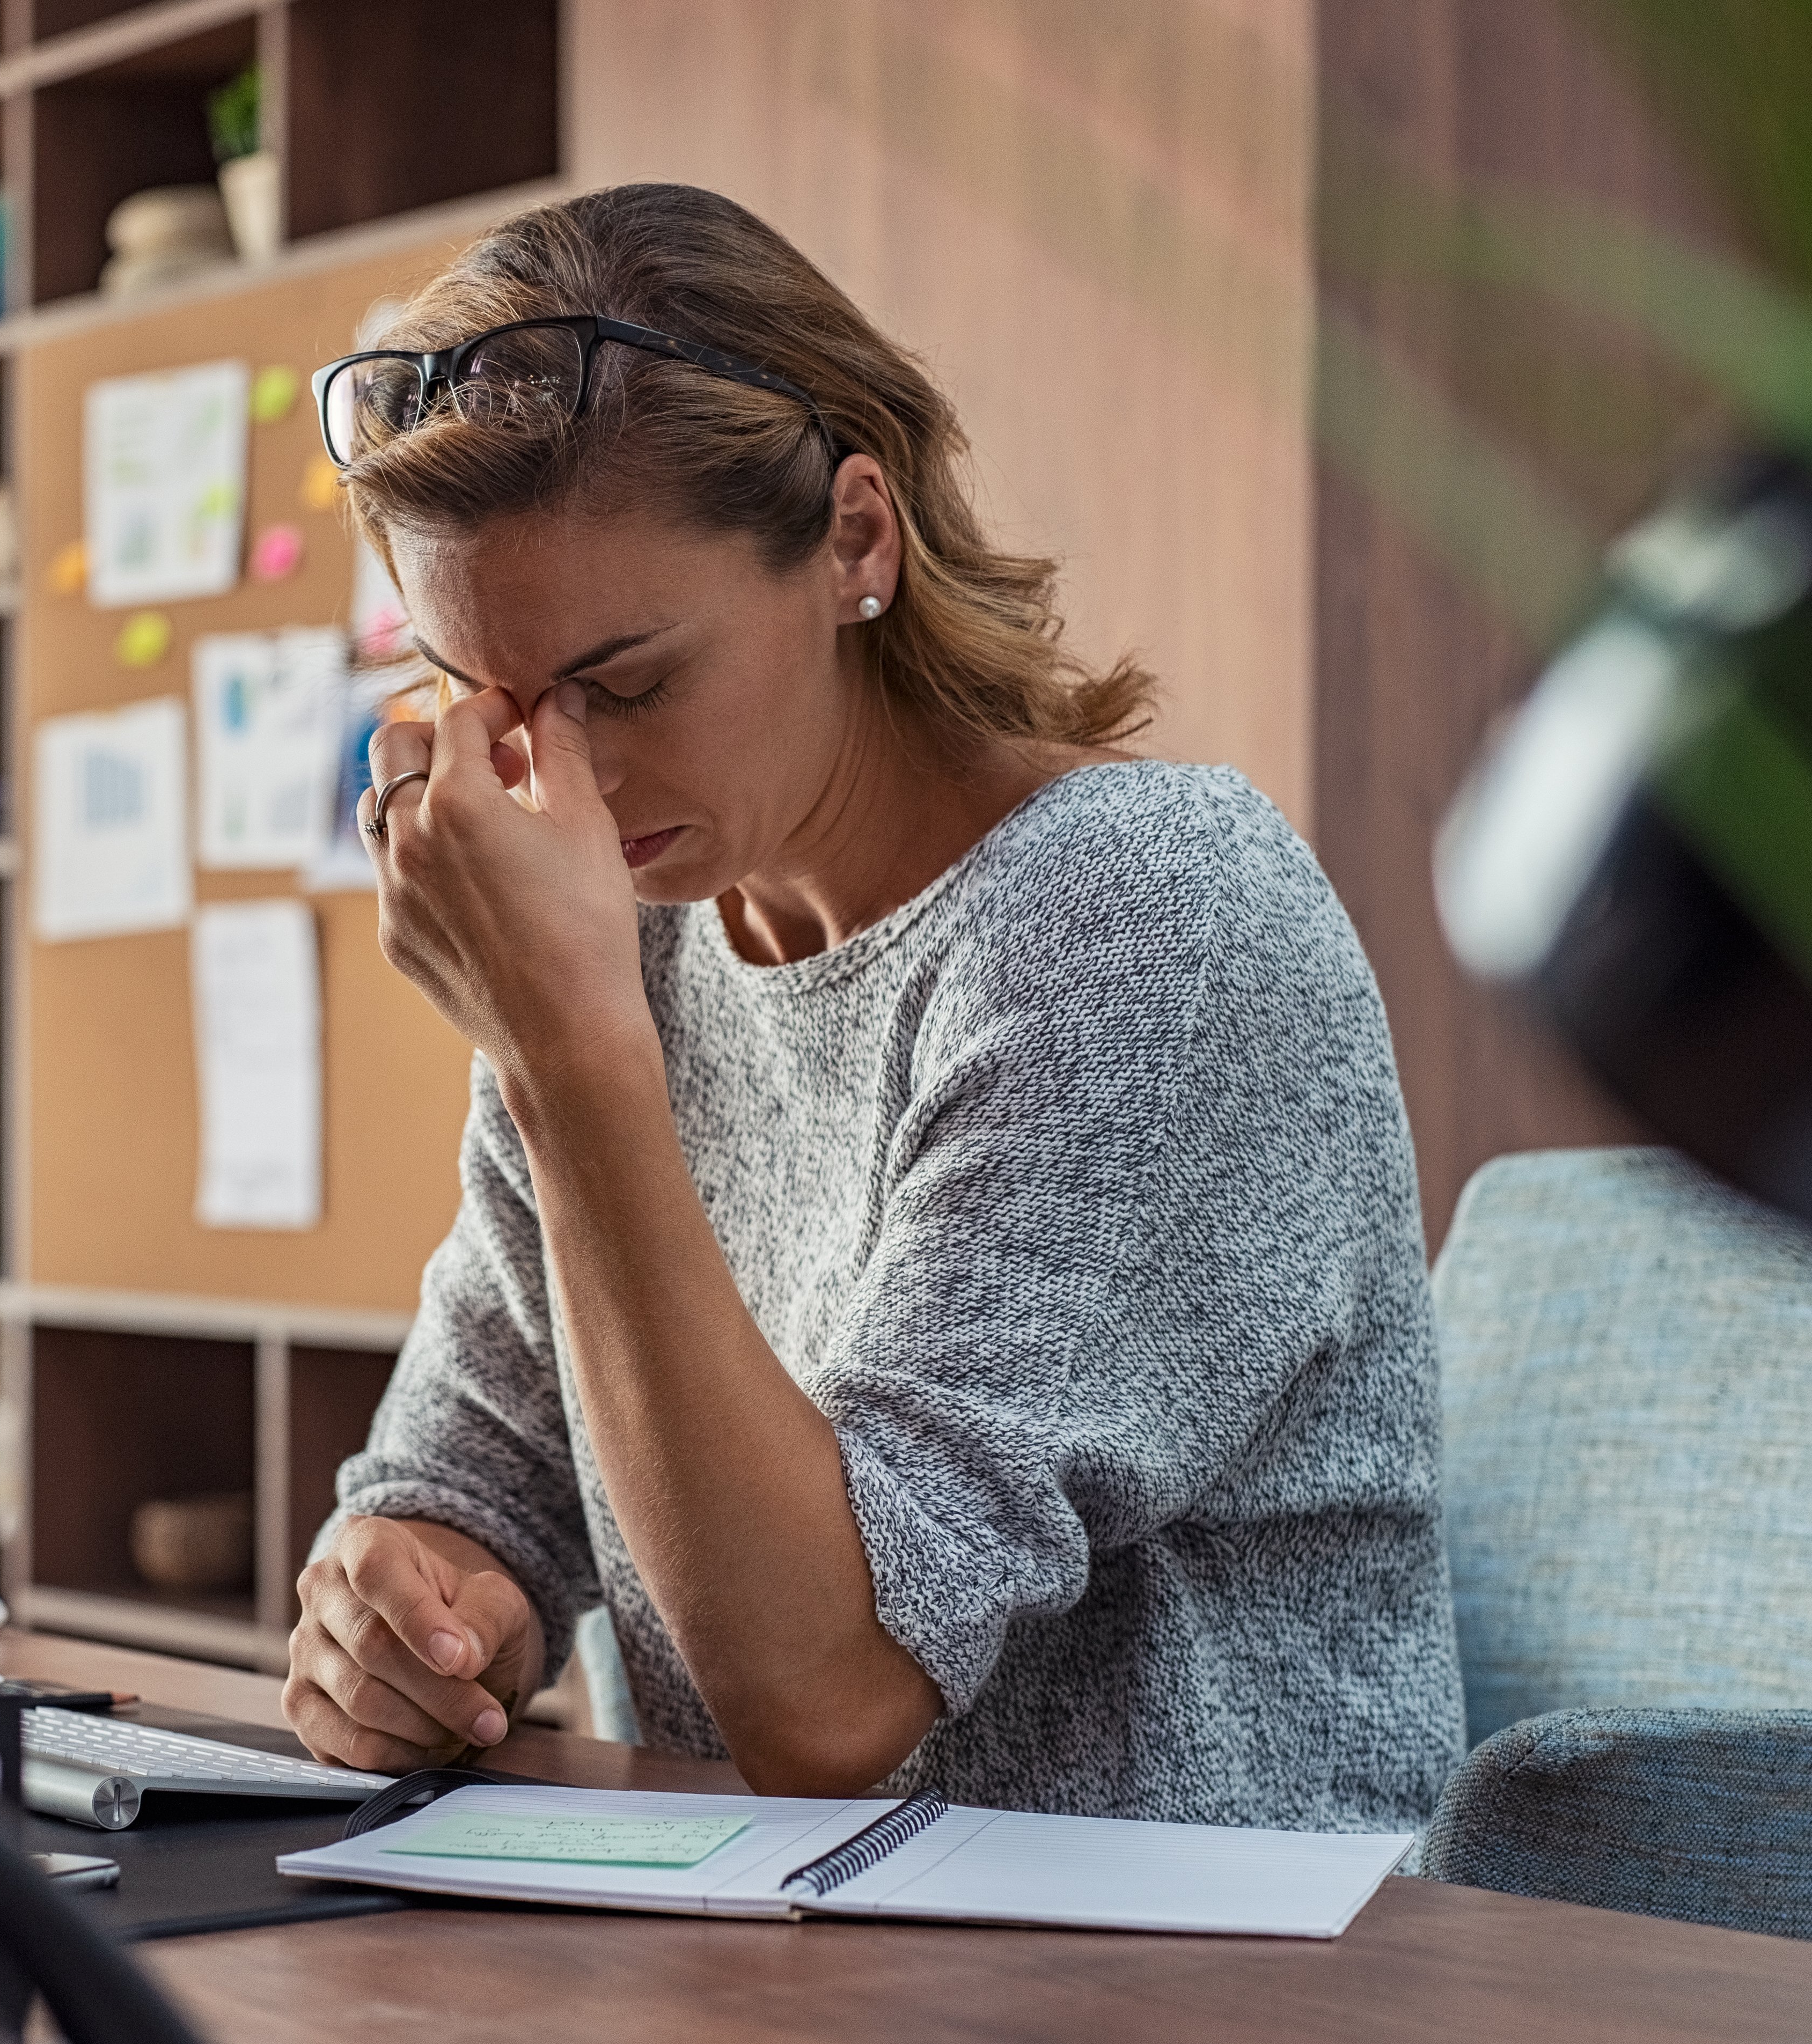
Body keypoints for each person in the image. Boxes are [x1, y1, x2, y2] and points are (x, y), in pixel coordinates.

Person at [281, 182, 1461, 1826]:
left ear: (857, 538)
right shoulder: (635, 947)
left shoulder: (1146, 918)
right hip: (788, 1956)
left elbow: (830, 1693)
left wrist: (567, 1055)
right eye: (493, 699)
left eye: (629, 684)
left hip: (1203, 1973)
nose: (564, 777)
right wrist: (406, 1605)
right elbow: (478, 1468)